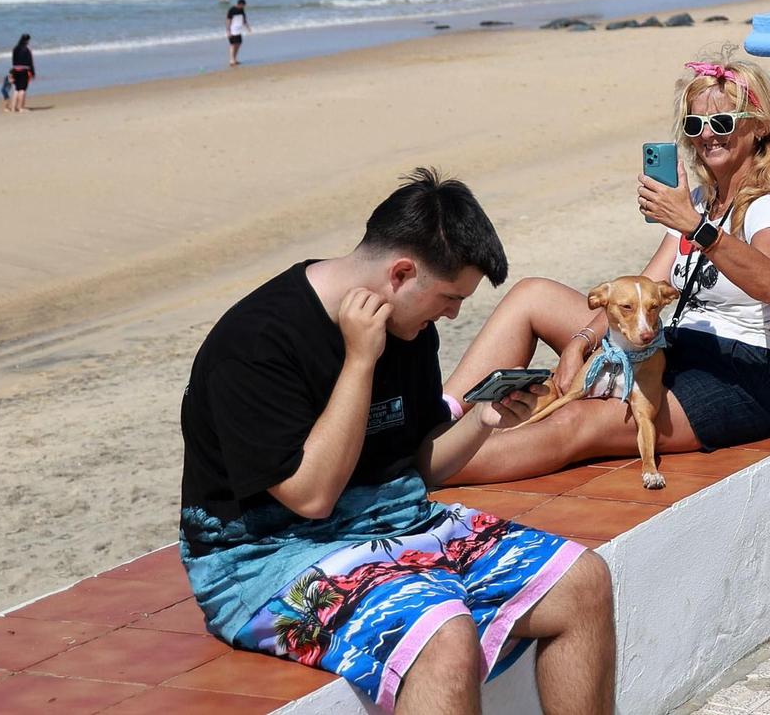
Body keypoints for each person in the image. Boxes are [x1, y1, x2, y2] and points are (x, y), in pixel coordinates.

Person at [178, 169, 615, 714]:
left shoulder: (411, 328)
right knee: (443, 637)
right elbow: (310, 498)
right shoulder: (255, 344)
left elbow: (419, 465)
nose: (452, 314)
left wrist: (483, 420)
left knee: (584, 582)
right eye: (449, 296)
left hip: (393, 523)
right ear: (401, 273)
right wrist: (361, 360)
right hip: (266, 558)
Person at [440, 56, 770, 484]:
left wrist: (696, 227)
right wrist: (581, 341)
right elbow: (646, 287)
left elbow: (767, 282)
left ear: (760, 126)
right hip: (666, 343)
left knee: (580, 422)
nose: (707, 136)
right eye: (695, 127)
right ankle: (440, 415)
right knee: (532, 295)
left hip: (743, 373)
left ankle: (425, 470)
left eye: (723, 122)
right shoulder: (697, 201)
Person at [7, 33, 35, 113]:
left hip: (15, 69)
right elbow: (30, 62)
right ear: (27, 40)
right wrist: (32, 72)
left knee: (16, 89)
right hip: (24, 70)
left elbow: (13, 61)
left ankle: (13, 107)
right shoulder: (27, 49)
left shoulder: (15, 48)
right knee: (22, 89)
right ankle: (21, 108)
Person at [226, 0, 250, 67]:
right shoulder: (232, 10)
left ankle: (235, 59)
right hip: (232, 31)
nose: (243, 7)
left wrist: (247, 27)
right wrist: (228, 31)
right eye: (242, 6)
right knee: (232, 45)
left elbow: (244, 19)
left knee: (238, 44)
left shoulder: (242, 10)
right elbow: (228, 20)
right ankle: (231, 60)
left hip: (239, 31)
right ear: (240, 4)